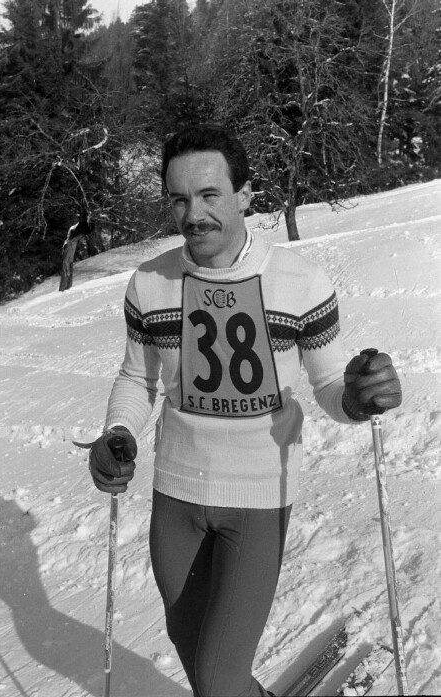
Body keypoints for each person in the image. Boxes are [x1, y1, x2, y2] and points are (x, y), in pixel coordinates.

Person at [79, 125, 402, 697]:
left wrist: (357, 398)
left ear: (245, 196)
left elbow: (330, 387)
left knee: (217, 675)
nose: (193, 214)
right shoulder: (150, 283)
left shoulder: (299, 282)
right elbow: (136, 377)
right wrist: (118, 433)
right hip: (175, 496)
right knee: (196, 654)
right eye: (179, 199)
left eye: (209, 195)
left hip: (256, 497)